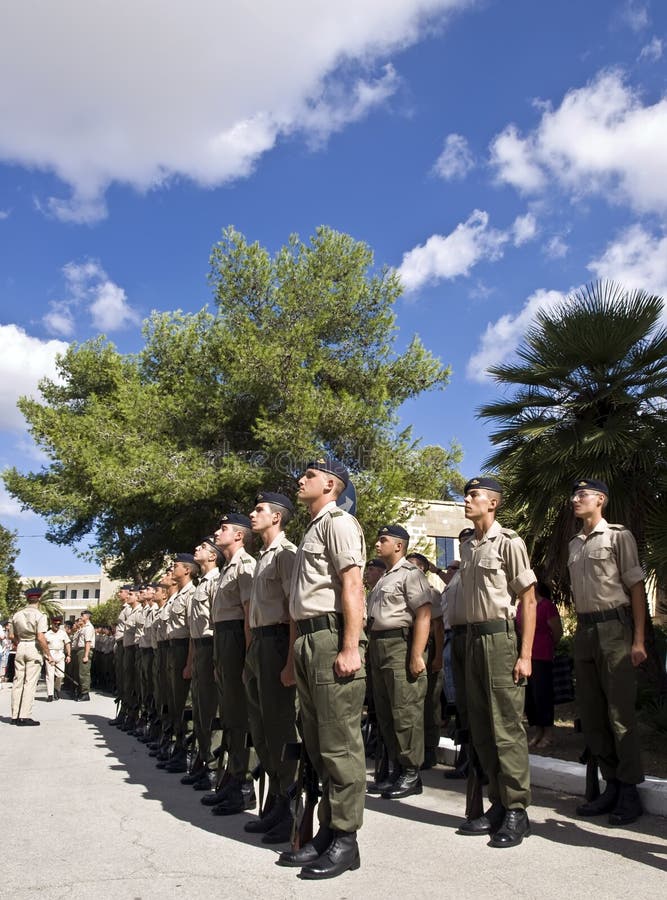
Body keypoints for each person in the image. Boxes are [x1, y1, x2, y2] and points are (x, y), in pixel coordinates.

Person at [277, 457, 366, 880]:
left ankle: (346, 839)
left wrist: (350, 646)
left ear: (331, 484)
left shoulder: (339, 523)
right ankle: (330, 832)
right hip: (308, 641)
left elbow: (352, 584)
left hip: (331, 638)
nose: (301, 479)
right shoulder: (311, 528)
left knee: (339, 745)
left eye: (310, 475)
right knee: (317, 744)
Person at [458, 476, 536, 848]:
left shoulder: (509, 542)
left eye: (474, 495)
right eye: (467, 495)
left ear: (493, 503)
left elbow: (529, 600)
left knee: (506, 726)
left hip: (500, 638)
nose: (467, 500)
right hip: (472, 639)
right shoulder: (470, 546)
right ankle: (498, 804)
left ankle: (518, 810)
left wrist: (525, 654)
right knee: (482, 727)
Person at [568, 478, 647, 826]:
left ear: (600, 499)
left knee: (619, 713)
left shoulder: (618, 536)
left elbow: (635, 587)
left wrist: (639, 640)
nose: (575, 499)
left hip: (615, 628)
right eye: (574, 494)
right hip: (584, 631)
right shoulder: (574, 544)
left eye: (582, 494)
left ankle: (629, 790)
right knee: (593, 713)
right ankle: (611, 784)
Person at [244, 491, 298, 842]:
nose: (252, 513)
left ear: (276, 517)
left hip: (279, 642)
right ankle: (275, 801)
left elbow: (295, 609)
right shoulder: (262, 557)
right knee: (262, 727)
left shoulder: (287, 555)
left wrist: (292, 659)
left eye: (259, 509)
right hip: (259, 644)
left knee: (280, 728)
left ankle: (289, 807)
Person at [366, 527, 431, 799]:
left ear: (399, 546)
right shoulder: (384, 578)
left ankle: (410, 772)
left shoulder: (410, 574)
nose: (378, 543)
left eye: (384, 540)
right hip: (378, 644)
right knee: (385, 712)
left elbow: (424, 614)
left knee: (405, 711)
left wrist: (416, 654)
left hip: (399, 644)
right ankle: (394, 769)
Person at [206, 514, 256, 814]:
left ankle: (244, 783)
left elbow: (249, 615)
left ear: (239, 536)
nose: (217, 531)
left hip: (238, 638)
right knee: (229, 715)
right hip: (223, 640)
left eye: (223, 528)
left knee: (240, 716)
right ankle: (232, 777)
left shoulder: (246, 566)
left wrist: (248, 656)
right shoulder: (227, 570)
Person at [181, 538, 221, 790]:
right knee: (200, 709)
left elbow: (218, 623)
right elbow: (193, 630)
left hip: (212, 646)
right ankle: (204, 759)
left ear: (213, 556)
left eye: (202, 547)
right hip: (199, 647)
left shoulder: (217, 581)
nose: (197, 548)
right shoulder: (200, 585)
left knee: (212, 711)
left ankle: (215, 767)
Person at [406, 551, 444, 770]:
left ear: (423, 569)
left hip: (428, 650)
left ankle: (430, 748)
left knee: (430, 702)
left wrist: (438, 656)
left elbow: (438, 627)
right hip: (408, 646)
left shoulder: (432, 593)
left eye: (415, 566)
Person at [161, 554, 198, 773]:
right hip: (172, 648)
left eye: (175, 566)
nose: (171, 569)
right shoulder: (177, 597)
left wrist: (189, 661)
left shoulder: (192, 593)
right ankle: (178, 746)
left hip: (185, 647)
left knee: (186, 703)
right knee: (174, 701)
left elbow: (193, 631)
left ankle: (187, 751)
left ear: (186, 570)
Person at [516, 582, 562, 749]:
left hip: (542, 655)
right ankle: (537, 730)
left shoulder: (546, 605)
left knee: (543, 694)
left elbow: (557, 630)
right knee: (530, 697)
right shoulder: (521, 605)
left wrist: (551, 645)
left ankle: (548, 732)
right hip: (525, 656)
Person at [10, 587, 55, 725]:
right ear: (39, 599)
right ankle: (25, 715)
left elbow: (11, 635)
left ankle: (15, 715)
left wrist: (20, 643)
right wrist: (48, 655)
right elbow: (41, 637)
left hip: (21, 646)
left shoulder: (17, 615)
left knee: (18, 682)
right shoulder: (40, 615)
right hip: (33, 647)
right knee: (30, 683)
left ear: (27, 598)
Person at [44, 616, 71, 700]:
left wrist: (69, 655)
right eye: (55, 624)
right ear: (52, 624)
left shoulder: (62, 633)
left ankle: (56, 689)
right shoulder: (47, 634)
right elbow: (44, 646)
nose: (57, 625)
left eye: (58, 624)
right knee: (50, 675)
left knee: (60, 675)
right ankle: (50, 694)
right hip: (50, 654)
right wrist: (47, 656)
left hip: (60, 653)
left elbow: (67, 643)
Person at [72, 609, 96, 701]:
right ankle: (80, 691)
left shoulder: (89, 627)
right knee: (80, 672)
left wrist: (86, 655)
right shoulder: (84, 627)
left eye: (83, 615)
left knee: (84, 673)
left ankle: (85, 693)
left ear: (87, 616)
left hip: (85, 650)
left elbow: (88, 642)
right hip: (80, 650)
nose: (81, 617)